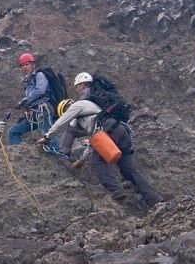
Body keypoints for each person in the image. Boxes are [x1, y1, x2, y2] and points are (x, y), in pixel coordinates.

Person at [38, 72, 163, 208]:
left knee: (97, 163)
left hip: (109, 130)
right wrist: (81, 160)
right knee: (129, 170)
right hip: (122, 131)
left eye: (77, 86)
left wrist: (47, 136)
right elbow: (95, 142)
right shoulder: (93, 110)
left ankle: (117, 192)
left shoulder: (79, 105)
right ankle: (154, 200)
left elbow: (63, 122)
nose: (76, 89)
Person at [8, 53, 58, 148]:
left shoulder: (39, 75)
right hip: (34, 112)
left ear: (32, 65)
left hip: (43, 109)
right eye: (22, 65)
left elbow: (40, 90)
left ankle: (55, 154)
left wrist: (25, 100)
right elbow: (32, 97)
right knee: (13, 132)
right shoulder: (27, 82)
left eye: (27, 64)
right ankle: (19, 155)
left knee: (48, 132)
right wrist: (25, 105)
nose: (24, 67)